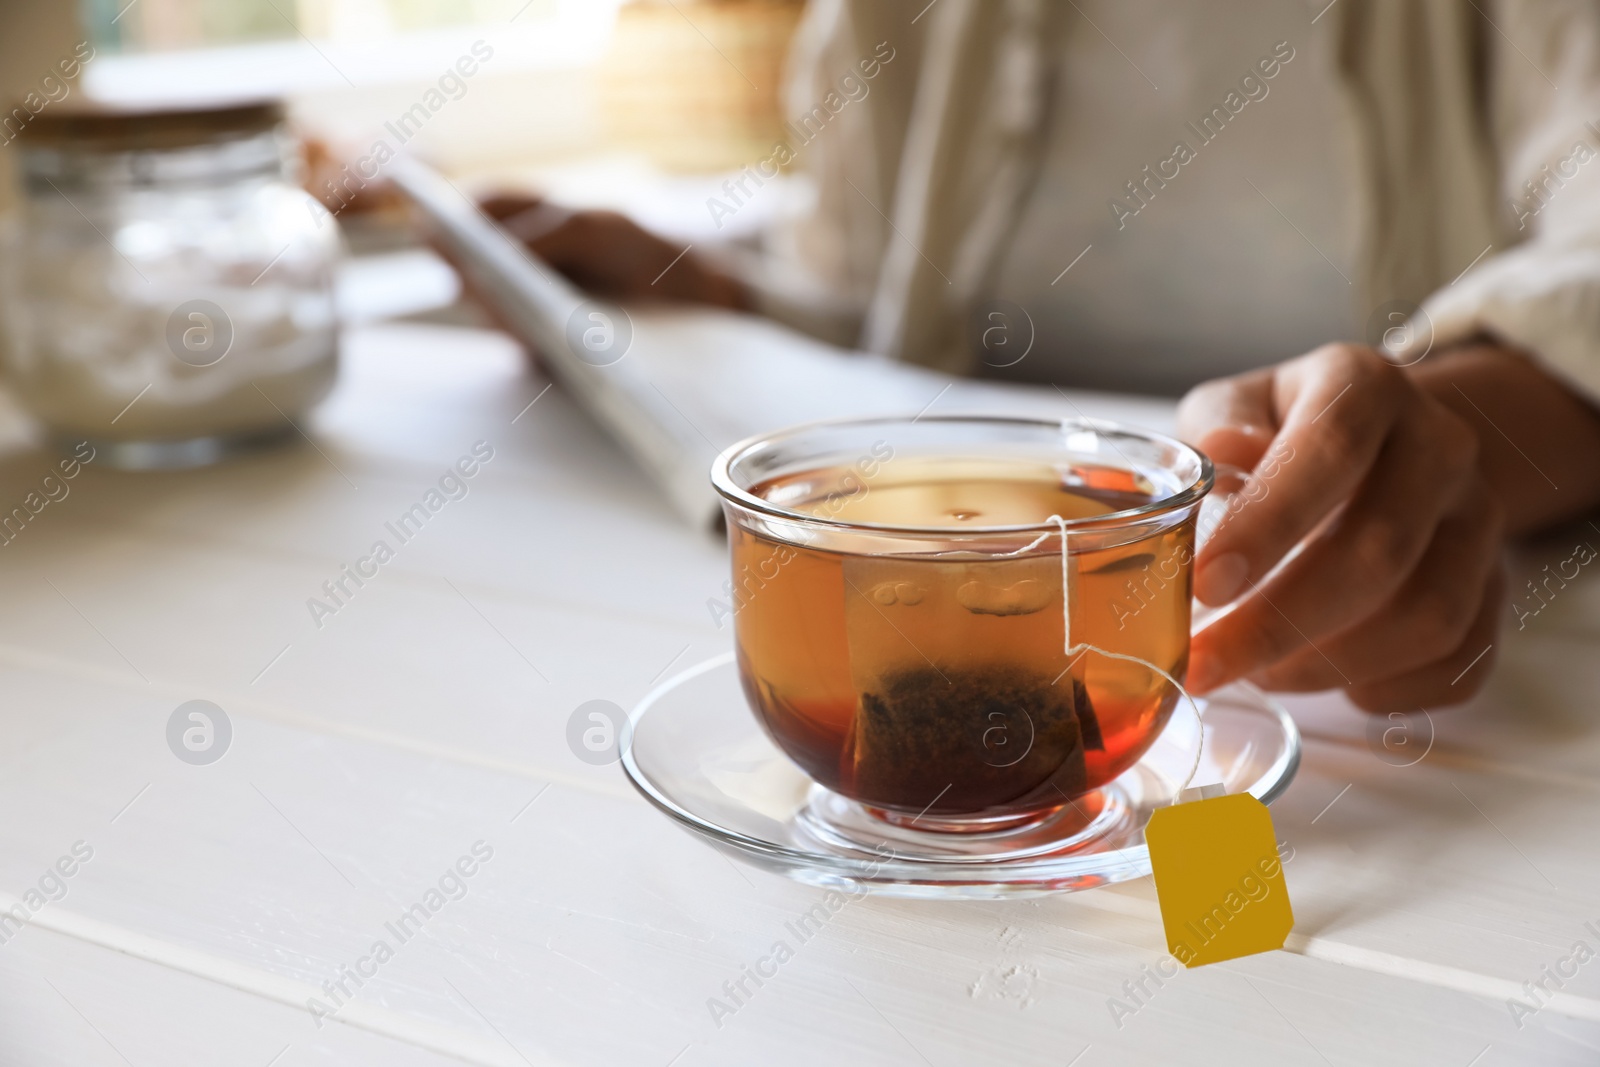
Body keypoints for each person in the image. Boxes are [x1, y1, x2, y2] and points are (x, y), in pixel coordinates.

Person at [481, 0, 1600, 714]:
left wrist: (1451, 438)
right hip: (943, 614)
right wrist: (704, 284)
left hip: (1337, 681)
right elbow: (882, 312)